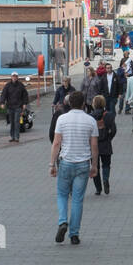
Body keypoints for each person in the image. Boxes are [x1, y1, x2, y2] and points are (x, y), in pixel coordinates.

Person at [49, 90, 99, 245]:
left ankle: (63, 221)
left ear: (69, 103)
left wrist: (52, 164)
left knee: (62, 195)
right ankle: (74, 234)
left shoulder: (62, 119)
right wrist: (94, 165)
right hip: (83, 163)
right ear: (84, 103)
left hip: (66, 162)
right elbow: (94, 145)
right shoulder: (90, 120)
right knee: (78, 199)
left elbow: (56, 143)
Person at [90, 94, 117, 195]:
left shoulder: (90, 116)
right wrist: (109, 138)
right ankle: (105, 179)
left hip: (93, 145)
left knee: (94, 166)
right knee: (106, 164)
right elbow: (114, 130)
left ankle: (98, 188)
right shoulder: (109, 115)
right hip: (106, 143)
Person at [0, 71, 29, 143]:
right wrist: (2, 103)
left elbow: (25, 95)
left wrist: (25, 103)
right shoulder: (7, 85)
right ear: (11, 77)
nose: (14, 77)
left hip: (18, 106)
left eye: (16, 76)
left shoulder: (21, 85)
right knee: (12, 122)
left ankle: (16, 137)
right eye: (13, 76)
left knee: (17, 121)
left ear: (17, 77)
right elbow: (3, 94)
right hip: (10, 106)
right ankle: (12, 136)